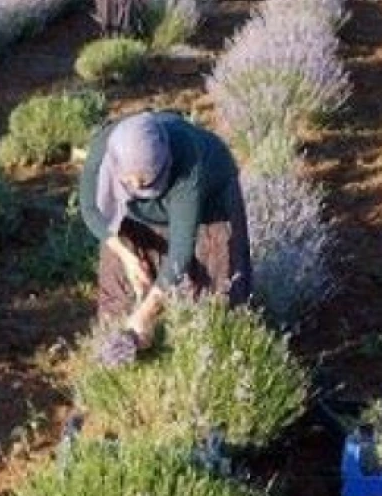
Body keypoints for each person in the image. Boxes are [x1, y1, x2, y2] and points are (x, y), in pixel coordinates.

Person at [77, 110, 252, 352]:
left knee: (212, 292)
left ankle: (210, 359)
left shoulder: (189, 162)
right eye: (129, 180)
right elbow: (90, 209)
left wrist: (146, 314)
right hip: (133, 211)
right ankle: (124, 358)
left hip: (211, 205)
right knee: (120, 288)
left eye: (147, 180)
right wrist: (127, 257)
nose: (137, 186)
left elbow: (181, 249)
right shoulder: (104, 153)